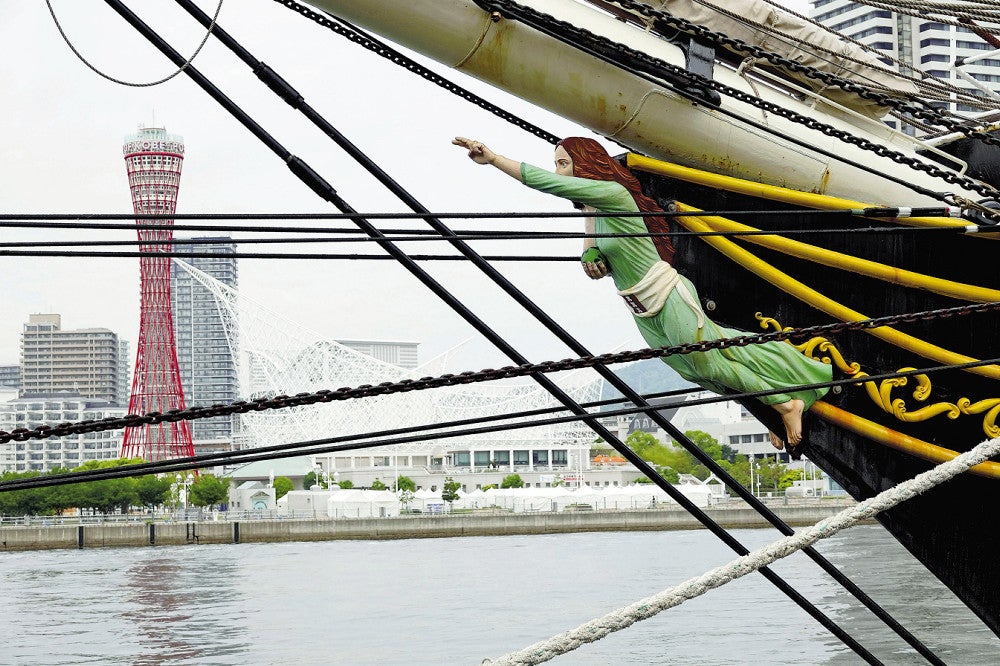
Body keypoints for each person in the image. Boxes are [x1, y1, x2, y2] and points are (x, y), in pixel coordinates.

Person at [452, 135, 832, 449]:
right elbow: (590, 250)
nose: (558, 172)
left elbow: (547, 184)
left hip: (666, 296)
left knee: (709, 361)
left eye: (564, 164)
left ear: (587, 166)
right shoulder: (598, 212)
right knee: (696, 371)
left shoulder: (616, 195)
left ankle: (785, 402)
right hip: (639, 308)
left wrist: (495, 159)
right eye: (557, 164)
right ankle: (772, 404)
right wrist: (591, 257)